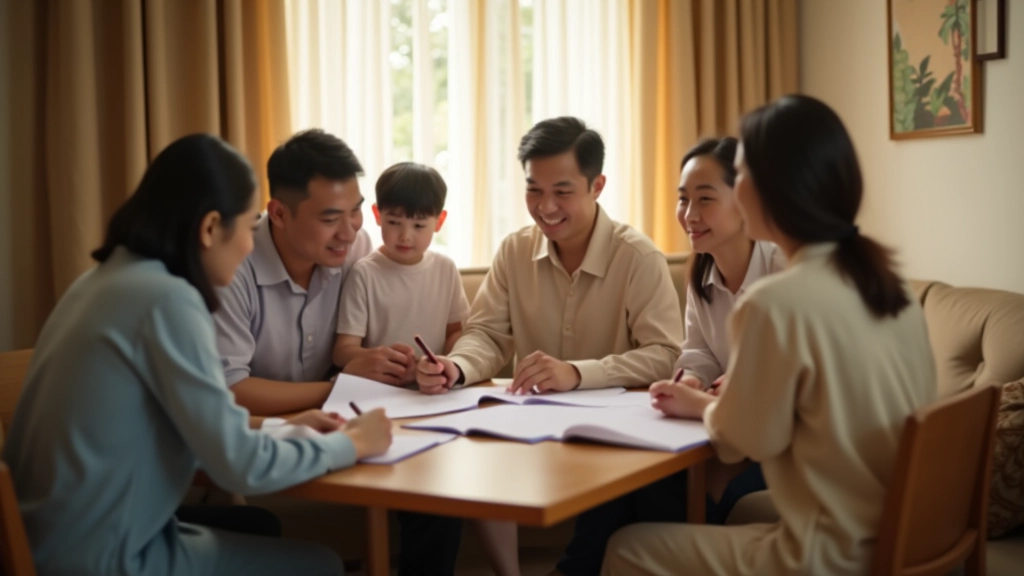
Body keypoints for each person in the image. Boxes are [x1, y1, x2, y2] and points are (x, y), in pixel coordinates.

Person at [1, 134, 393, 576]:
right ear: (209, 229)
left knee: (260, 527)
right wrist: (352, 443)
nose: (250, 245)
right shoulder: (167, 300)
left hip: (55, 536)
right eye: (246, 228)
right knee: (320, 565)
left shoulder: (104, 280)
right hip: (101, 556)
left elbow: (198, 425)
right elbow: (238, 465)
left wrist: (284, 426)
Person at [603, 95, 937, 575]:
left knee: (628, 547)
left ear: (771, 190)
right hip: (905, 531)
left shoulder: (775, 302)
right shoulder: (890, 283)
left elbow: (741, 441)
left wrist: (699, 405)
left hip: (833, 554)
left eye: (741, 176)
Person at [415, 116, 683, 576]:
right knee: (455, 457)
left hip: (615, 436)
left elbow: (666, 353)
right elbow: (486, 334)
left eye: (562, 191)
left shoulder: (638, 257)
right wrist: (455, 368)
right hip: (532, 427)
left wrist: (577, 373)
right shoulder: (514, 251)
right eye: (533, 190)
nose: (546, 207)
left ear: (597, 186)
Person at [214, 131, 464, 575]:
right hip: (273, 431)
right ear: (279, 214)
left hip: (347, 416)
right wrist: (339, 385)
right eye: (331, 218)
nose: (350, 231)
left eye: (355, 212)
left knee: (436, 484)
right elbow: (231, 392)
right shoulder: (233, 268)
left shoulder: (356, 249)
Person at [335, 161, 520, 576]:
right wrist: (376, 360)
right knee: (426, 491)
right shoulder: (365, 274)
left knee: (481, 463)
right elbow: (343, 350)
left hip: (437, 397)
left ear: (440, 221)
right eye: (395, 222)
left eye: (419, 225)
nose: (405, 235)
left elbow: (458, 334)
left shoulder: (444, 269)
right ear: (377, 215)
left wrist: (447, 361)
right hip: (384, 402)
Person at [673, 136, 785, 524]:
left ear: (745, 201)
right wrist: (692, 379)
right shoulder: (701, 273)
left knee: (705, 490)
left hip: (781, 440)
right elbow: (699, 351)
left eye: (705, 199)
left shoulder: (783, 268)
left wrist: (740, 384)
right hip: (727, 429)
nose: (689, 214)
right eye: (683, 199)